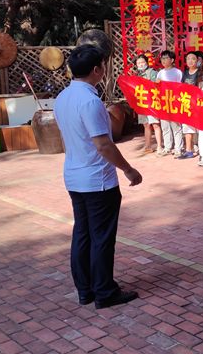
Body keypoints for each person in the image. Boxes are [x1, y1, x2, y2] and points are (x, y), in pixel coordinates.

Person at [54, 44, 142, 309]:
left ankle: (85, 289)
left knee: (82, 233)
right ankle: (104, 291)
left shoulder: (63, 97)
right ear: (97, 70)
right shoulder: (90, 101)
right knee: (101, 236)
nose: (104, 69)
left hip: (74, 175)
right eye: (103, 65)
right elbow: (103, 144)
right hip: (97, 180)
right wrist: (128, 169)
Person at [156, 50, 183, 156]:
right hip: (163, 103)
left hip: (174, 102)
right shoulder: (160, 73)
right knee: (165, 126)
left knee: (176, 126)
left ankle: (178, 148)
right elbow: (156, 87)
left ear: (172, 60)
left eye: (166, 58)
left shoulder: (177, 72)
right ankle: (167, 147)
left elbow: (180, 87)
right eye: (162, 58)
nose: (163, 60)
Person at [134, 55, 162, 155]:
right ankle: (148, 146)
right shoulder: (137, 75)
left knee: (155, 124)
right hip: (142, 103)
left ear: (147, 62)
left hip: (152, 102)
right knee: (146, 125)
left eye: (142, 62)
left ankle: (159, 146)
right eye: (138, 63)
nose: (141, 64)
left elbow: (156, 86)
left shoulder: (152, 72)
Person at [178, 52, 202, 159]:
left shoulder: (200, 73)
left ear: (197, 61)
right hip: (186, 103)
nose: (190, 61)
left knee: (199, 128)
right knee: (187, 127)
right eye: (188, 59)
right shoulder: (185, 73)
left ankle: (202, 150)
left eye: (193, 59)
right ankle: (189, 150)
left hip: (196, 105)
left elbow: (201, 89)